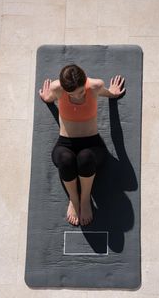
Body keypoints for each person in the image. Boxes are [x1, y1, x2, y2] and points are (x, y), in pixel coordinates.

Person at [39, 64, 125, 227]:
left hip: (92, 145)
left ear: (85, 80)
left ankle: (85, 200)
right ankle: (74, 199)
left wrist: (112, 93)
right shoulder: (57, 87)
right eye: (73, 94)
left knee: (84, 159)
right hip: (65, 143)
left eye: (80, 91)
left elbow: (106, 93)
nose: (78, 96)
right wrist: (46, 98)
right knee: (66, 160)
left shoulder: (95, 86)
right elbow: (51, 97)